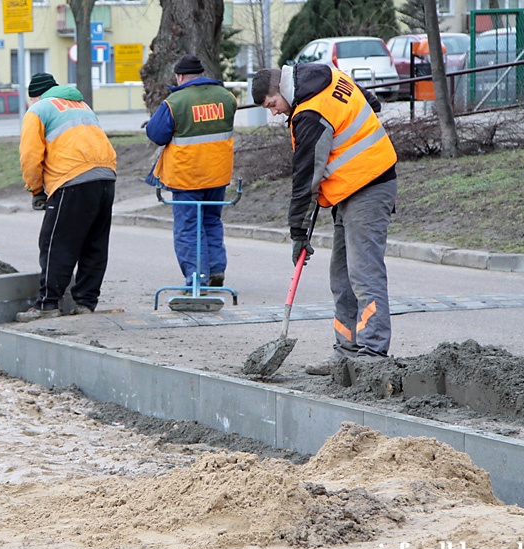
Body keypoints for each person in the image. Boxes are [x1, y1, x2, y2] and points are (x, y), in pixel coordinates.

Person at [251, 63, 398, 375]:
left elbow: (305, 178)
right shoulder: (326, 76)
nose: (275, 113)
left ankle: (372, 357)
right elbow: (371, 103)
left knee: (364, 274)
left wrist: (298, 232)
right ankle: (346, 354)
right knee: (342, 278)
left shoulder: (309, 114)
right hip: (350, 189)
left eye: (272, 105)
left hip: (370, 187)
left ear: (281, 90)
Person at [15, 72, 117, 322]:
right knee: (94, 244)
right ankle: (85, 302)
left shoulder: (39, 109)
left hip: (72, 180)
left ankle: (48, 304)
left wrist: (36, 190)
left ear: (34, 96)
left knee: (55, 243)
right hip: (106, 177)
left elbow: (30, 157)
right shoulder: (81, 104)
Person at [145, 54, 238, 289]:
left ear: (181, 77)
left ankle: (197, 279)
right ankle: (216, 270)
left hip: (187, 177)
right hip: (217, 175)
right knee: (211, 221)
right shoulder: (227, 98)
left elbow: (156, 135)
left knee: (188, 228)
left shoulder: (175, 102)